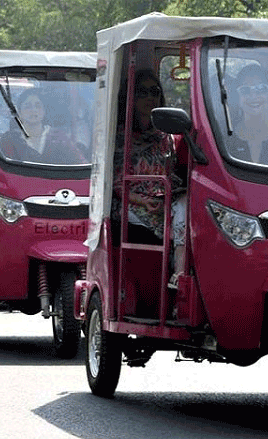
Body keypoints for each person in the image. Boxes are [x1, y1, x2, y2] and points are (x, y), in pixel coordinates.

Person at [112, 69, 186, 289]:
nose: (148, 98)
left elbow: (174, 174)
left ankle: (180, 274)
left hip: (164, 198)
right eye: (141, 92)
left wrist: (169, 196)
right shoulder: (119, 137)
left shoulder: (168, 137)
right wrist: (142, 200)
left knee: (184, 210)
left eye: (154, 92)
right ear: (131, 98)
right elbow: (115, 184)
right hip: (131, 200)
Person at [0, 88, 86, 164]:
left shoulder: (60, 138)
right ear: (19, 112)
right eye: (27, 106)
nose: (33, 110)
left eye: (38, 106)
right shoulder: (8, 140)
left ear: (44, 111)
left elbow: (80, 163)